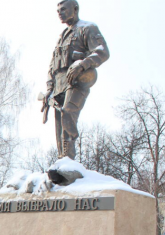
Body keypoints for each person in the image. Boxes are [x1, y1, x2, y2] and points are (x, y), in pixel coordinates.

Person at [43, 0, 109, 159]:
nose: (60, 12)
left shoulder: (87, 28)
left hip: (77, 81)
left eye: (63, 9)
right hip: (59, 85)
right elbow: (53, 65)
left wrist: (83, 64)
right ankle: (62, 159)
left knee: (68, 112)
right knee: (59, 124)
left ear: (75, 9)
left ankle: (68, 158)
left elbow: (102, 51)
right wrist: (49, 88)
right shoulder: (62, 37)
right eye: (58, 10)